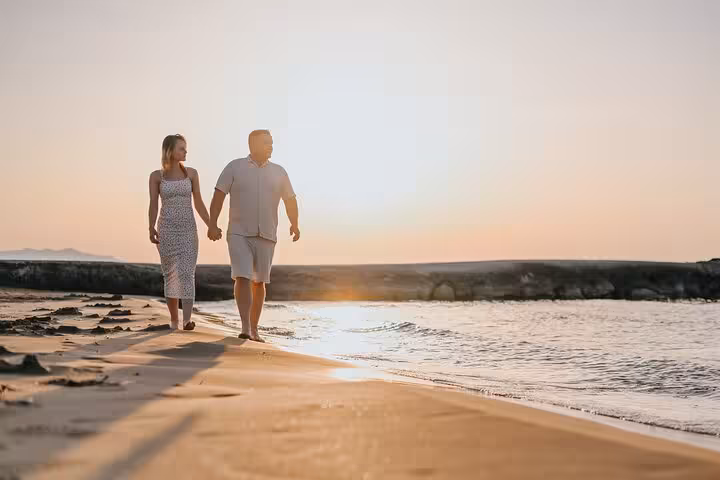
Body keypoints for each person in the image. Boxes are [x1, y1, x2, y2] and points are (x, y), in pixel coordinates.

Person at [208, 130, 299, 342]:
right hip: (239, 232)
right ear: (253, 145)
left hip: (267, 233)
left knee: (259, 282)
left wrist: (295, 223)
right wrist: (212, 223)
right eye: (267, 143)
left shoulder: (279, 171)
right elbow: (219, 194)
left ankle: (255, 328)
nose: (271, 147)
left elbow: (290, 199)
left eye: (272, 143)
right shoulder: (234, 167)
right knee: (242, 276)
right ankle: (245, 327)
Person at [148, 134, 216, 330]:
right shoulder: (156, 176)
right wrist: (150, 227)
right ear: (170, 151)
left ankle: (187, 320)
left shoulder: (192, 174)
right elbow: (153, 204)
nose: (185, 152)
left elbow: (199, 203)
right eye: (181, 148)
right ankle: (173, 321)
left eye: (185, 148)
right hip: (166, 229)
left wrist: (211, 224)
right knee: (170, 274)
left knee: (187, 273)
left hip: (188, 229)